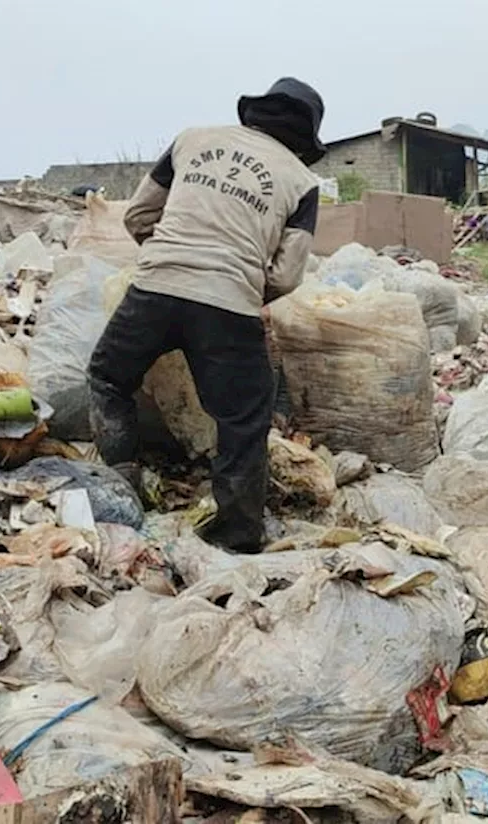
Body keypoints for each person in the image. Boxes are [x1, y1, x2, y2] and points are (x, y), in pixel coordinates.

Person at [88, 77, 327, 554]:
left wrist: (172, 255)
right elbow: (287, 275)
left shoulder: (191, 140)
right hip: (229, 308)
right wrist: (236, 281)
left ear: (255, 112)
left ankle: (122, 488)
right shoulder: (302, 183)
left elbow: (137, 216)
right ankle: (237, 535)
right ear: (305, 137)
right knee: (243, 419)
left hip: (153, 291)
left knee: (108, 377)